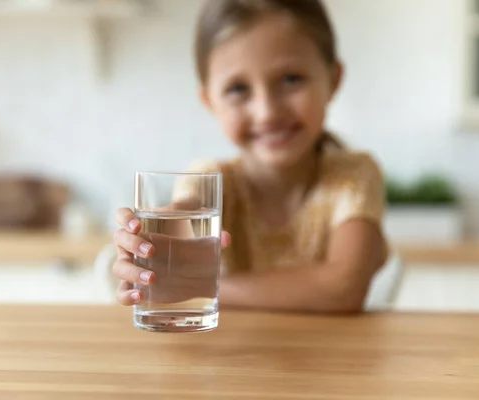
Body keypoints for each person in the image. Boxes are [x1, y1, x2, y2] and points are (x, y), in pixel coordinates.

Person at [112, 0, 388, 313]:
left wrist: (204, 286)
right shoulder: (211, 177)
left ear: (333, 79)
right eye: (238, 89)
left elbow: (344, 288)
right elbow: (186, 210)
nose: (267, 112)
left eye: (291, 79)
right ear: (209, 101)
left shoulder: (353, 176)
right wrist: (148, 247)